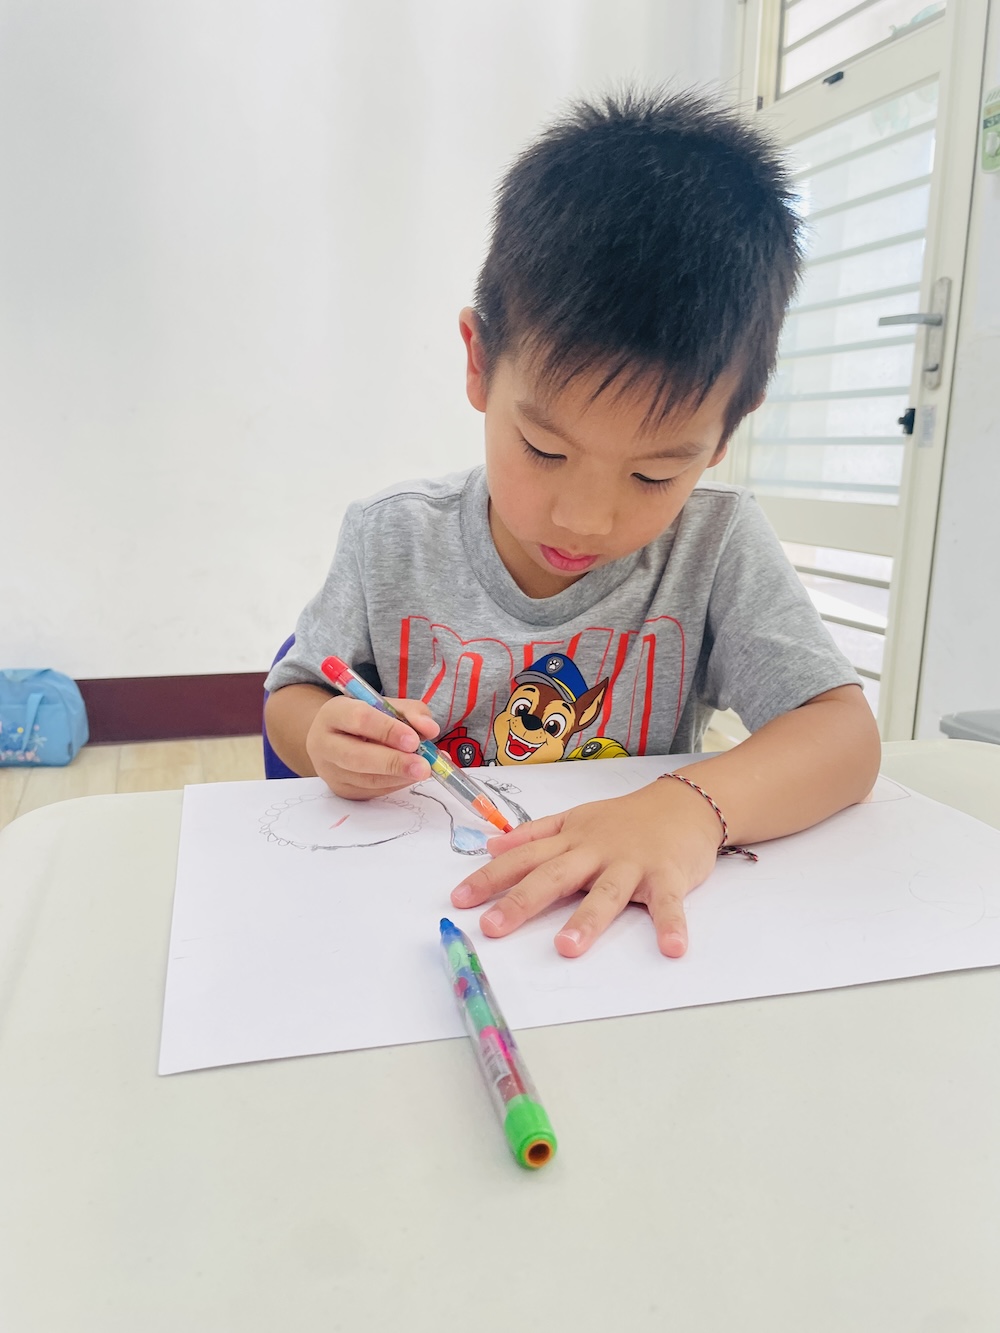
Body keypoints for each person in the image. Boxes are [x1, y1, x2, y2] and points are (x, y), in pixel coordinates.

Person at [264, 89, 881, 960]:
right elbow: (292, 697)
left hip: (615, 951)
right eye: (545, 450)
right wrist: (324, 739)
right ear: (479, 362)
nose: (587, 518)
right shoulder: (390, 538)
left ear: (724, 434)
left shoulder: (714, 546)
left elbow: (846, 739)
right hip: (419, 921)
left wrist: (687, 808)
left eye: (653, 473)